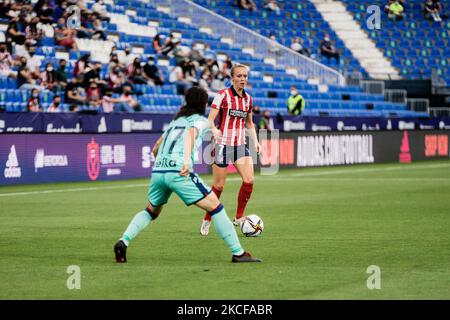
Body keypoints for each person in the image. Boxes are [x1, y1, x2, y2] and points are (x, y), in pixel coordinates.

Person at [113, 86, 261, 263]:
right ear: (204, 104)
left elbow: (155, 148)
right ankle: (238, 253)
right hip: (178, 171)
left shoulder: (176, 122)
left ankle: (123, 241)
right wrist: (185, 161)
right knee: (217, 207)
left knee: (151, 211)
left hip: (159, 170)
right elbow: (191, 134)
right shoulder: (200, 121)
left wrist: (162, 163)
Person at [200, 64, 262, 236]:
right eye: (239, 76)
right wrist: (213, 129)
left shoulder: (248, 99)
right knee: (218, 186)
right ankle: (207, 219)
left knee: (249, 181)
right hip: (222, 144)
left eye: (245, 76)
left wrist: (256, 141)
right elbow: (210, 119)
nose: (243, 79)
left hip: (240, 145)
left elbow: (249, 123)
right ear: (232, 78)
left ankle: (238, 218)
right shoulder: (222, 96)